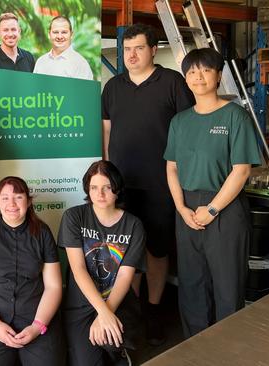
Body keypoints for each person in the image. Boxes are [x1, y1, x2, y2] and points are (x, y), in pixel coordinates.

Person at [101, 23, 195, 346]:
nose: (132, 55)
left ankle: (154, 312)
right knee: (124, 251)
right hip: (121, 185)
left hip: (160, 183)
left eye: (138, 48)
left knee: (156, 249)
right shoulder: (112, 87)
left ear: (153, 50)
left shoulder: (171, 82)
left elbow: (188, 130)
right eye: (127, 49)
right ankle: (131, 310)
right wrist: (105, 172)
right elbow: (107, 132)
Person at [164, 48, 261, 337]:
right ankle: (194, 350)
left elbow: (241, 171)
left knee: (227, 287)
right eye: (191, 71)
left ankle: (227, 350)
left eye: (205, 70)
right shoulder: (179, 121)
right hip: (188, 209)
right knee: (192, 285)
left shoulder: (235, 116)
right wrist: (182, 209)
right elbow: (172, 169)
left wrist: (213, 209)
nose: (198, 76)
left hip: (225, 209)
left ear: (218, 76)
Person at [0, 176, 64, 366]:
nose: (11, 204)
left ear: (28, 202)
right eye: (5, 198)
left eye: (18, 197)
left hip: (35, 315)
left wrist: (37, 326)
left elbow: (53, 286)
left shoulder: (42, 233)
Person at [59, 161, 146, 366]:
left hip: (118, 301)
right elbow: (78, 269)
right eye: (94, 188)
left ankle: (119, 352)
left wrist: (107, 313)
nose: (100, 194)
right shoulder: (74, 217)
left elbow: (125, 275)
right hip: (81, 304)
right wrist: (103, 312)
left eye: (107, 187)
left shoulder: (133, 225)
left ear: (117, 190)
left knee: (114, 345)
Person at [33, 16, 93, 80]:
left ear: (71, 34)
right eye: (55, 32)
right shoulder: (41, 61)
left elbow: (85, 89)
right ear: (49, 34)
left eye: (64, 32)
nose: (59, 36)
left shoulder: (80, 64)